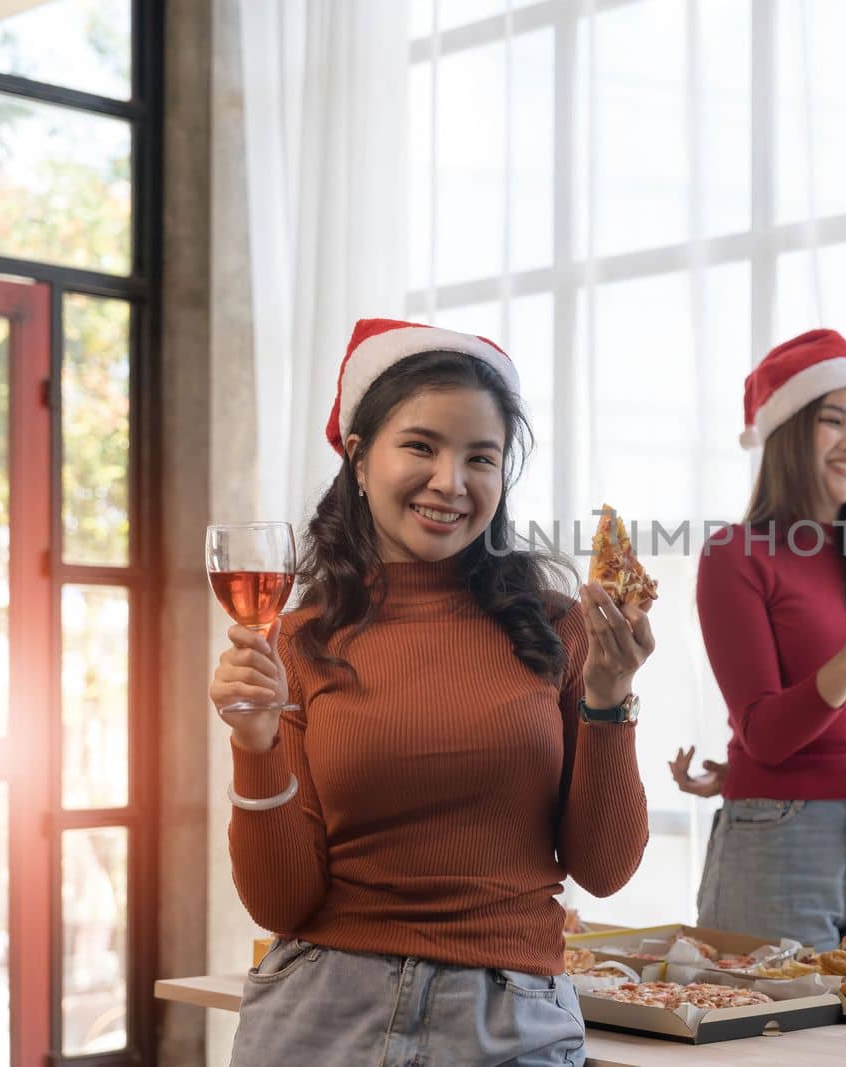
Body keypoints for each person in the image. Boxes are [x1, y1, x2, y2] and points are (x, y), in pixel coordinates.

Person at [210, 318, 653, 1065]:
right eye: (421, 446)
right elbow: (280, 904)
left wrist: (609, 698)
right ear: (358, 457)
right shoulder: (299, 640)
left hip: (507, 1018)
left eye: (481, 457)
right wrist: (253, 744)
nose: (451, 481)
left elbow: (604, 870)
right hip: (321, 1012)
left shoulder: (559, 628)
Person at [676, 328, 846, 962]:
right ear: (791, 431)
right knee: (781, 1047)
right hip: (779, 844)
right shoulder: (735, 555)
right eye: (834, 421)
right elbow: (765, 733)